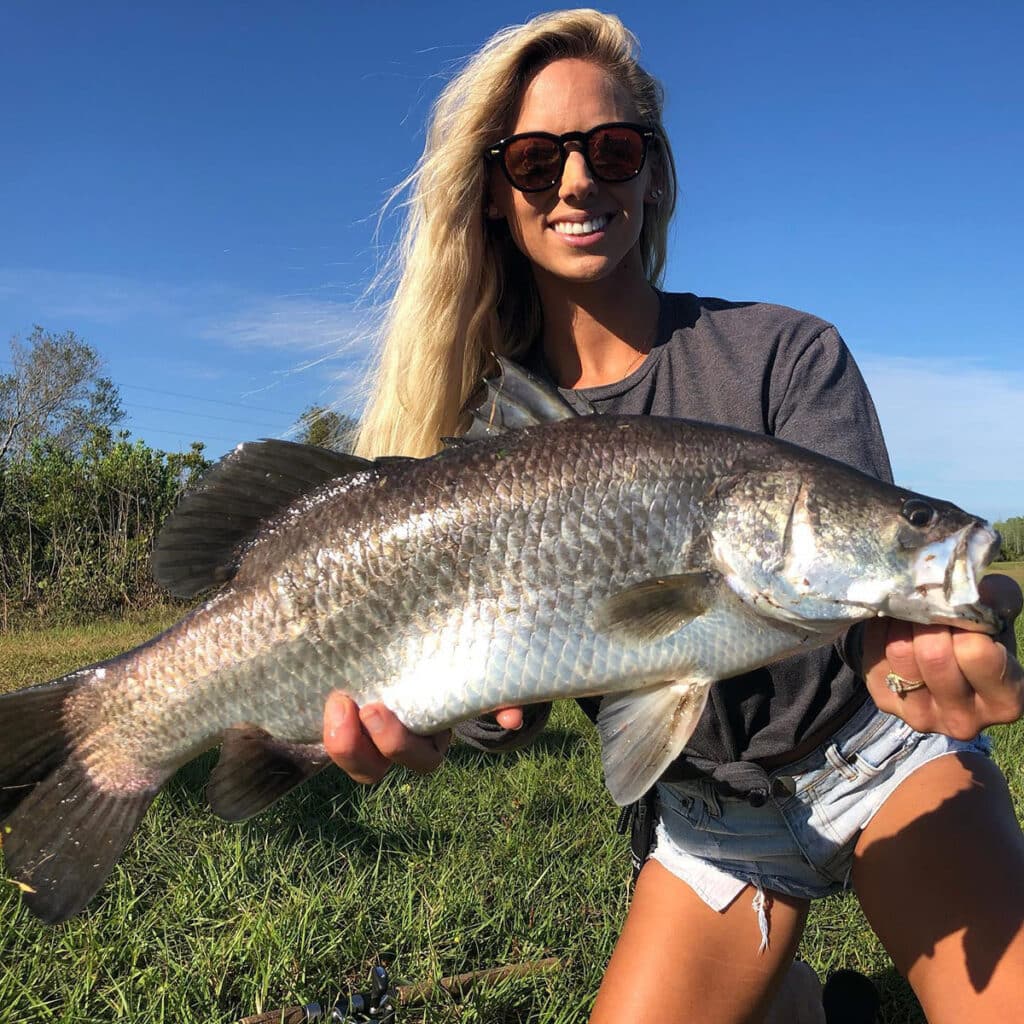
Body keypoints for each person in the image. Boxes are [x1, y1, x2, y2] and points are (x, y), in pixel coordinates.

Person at [319, 10, 1024, 1023]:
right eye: (533, 159)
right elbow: (509, 696)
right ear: (492, 196)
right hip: (703, 820)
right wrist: (455, 723)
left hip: (880, 759)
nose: (576, 181)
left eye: (613, 149)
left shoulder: (783, 350)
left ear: (653, 174)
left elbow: (873, 624)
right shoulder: (479, 444)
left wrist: (916, 652)